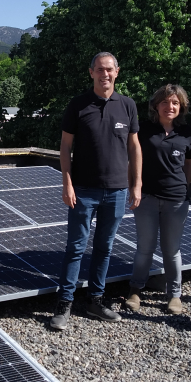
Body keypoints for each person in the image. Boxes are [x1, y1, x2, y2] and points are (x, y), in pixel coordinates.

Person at [50, 52, 142, 330]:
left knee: (104, 248)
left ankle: (95, 301)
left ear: (117, 72)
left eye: (109, 70)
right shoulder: (78, 105)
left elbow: (134, 147)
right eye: (99, 70)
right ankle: (64, 303)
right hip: (83, 190)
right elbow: (65, 147)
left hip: (116, 190)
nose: (105, 74)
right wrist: (66, 182)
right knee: (76, 247)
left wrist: (136, 184)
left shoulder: (127, 105)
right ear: (91, 72)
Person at [124, 84, 191, 316]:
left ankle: (174, 294)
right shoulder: (143, 130)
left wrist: (184, 187)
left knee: (171, 251)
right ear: (156, 105)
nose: (170, 107)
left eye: (175, 103)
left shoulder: (187, 134)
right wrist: (133, 186)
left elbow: (189, 166)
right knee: (145, 248)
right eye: (165, 102)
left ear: (181, 107)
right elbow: (132, 161)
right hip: (147, 198)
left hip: (176, 200)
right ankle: (135, 290)